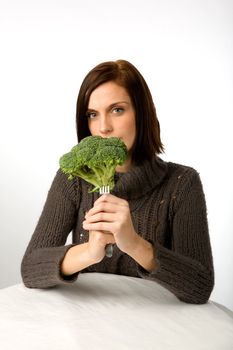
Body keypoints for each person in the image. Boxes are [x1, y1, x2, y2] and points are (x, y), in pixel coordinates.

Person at [21, 59, 214, 304]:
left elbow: (200, 287)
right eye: (92, 114)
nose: (103, 127)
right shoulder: (74, 178)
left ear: (141, 112)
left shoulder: (181, 184)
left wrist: (134, 244)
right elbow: (30, 269)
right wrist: (90, 252)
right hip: (83, 323)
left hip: (155, 326)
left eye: (117, 110)